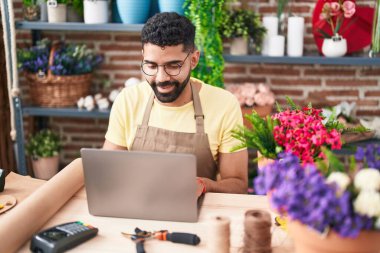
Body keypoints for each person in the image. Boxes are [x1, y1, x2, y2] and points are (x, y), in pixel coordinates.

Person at [103, 12, 248, 196]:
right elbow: (108, 172)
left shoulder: (224, 104)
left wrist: (204, 185)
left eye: (173, 66)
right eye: (152, 66)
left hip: (199, 217)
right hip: (137, 212)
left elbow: (238, 185)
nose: (161, 78)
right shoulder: (128, 100)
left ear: (193, 59)